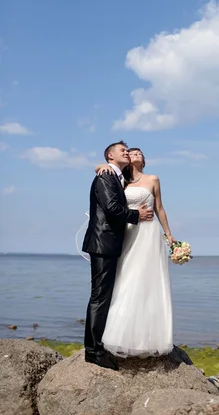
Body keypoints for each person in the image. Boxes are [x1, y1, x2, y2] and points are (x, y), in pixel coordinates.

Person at [95, 147, 177, 358]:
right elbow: (103, 175)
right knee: (125, 279)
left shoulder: (153, 179)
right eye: (132, 152)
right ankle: (118, 335)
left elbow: (159, 208)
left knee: (146, 280)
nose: (136, 154)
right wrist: (100, 165)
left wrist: (169, 234)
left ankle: (146, 338)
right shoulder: (119, 180)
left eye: (140, 153)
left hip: (148, 234)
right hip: (127, 233)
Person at [82, 141, 154, 370]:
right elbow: (112, 208)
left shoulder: (115, 176)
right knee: (100, 296)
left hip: (110, 244)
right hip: (103, 243)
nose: (127, 152)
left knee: (105, 296)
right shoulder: (105, 177)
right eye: (122, 150)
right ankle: (93, 351)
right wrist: (137, 214)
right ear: (110, 156)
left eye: (128, 150)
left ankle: (99, 345)